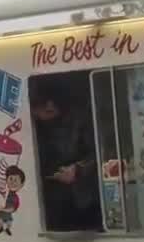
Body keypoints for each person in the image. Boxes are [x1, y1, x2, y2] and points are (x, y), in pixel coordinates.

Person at [31, 80, 102, 231]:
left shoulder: (80, 121)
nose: (35, 115)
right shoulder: (35, 126)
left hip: (81, 202)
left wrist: (77, 170)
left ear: (50, 106)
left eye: (38, 110)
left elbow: (102, 154)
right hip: (47, 205)